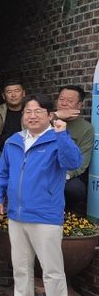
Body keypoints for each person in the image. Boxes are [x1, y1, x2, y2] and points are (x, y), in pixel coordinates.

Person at [0, 94, 82, 296]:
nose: (32, 116)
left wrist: (62, 134)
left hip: (45, 214)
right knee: (21, 265)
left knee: (52, 269)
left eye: (38, 111)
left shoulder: (57, 139)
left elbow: (73, 161)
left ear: (50, 115)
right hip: (17, 213)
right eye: (28, 112)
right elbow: (3, 172)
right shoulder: (14, 141)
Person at [55, 85, 93, 216]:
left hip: (67, 175)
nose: (64, 103)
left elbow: (82, 162)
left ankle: (70, 215)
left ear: (79, 105)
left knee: (75, 188)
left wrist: (63, 176)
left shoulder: (86, 128)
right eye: (61, 99)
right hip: (43, 169)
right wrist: (55, 116)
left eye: (69, 101)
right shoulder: (46, 120)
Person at [0, 77, 25, 149]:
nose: (13, 95)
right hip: (2, 151)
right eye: (9, 92)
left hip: (26, 150)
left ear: (23, 93)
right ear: (3, 96)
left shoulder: (30, 111)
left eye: (17, 91)